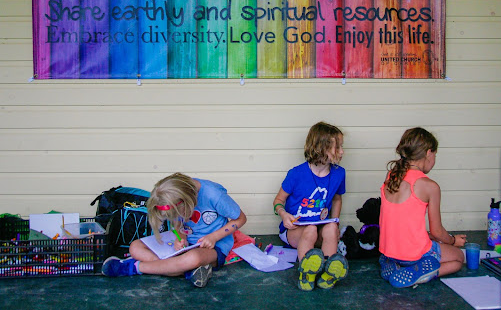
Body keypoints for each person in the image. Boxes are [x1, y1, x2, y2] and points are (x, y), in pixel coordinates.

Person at [102, 173, 247, 287]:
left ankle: (134, 267)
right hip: (184, 245)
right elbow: (176, 224)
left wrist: (214, 237)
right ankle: (185, 270)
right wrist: (179, 237)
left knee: (193, 258)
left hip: (213, 246)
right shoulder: (176, 195)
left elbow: (241, 219)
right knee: (135, 247)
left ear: (188, 201)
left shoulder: (214, 195)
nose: (177, 217)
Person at [379, 127, 466, 288]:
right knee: (458, 259)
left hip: (389, 251)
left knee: (428, 240)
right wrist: (453, 241)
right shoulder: (429, 186)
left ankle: (394, 265)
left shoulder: (392, 175)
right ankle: (418, 273)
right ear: (428, 153)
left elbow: (402, 220)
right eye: (435, 155)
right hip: (412, 255)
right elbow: (437, 231)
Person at [273, 121, 348, 291]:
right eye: (337, 148)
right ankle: (306, 273)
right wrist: (284, 215)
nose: (342, 152)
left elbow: (337, 198)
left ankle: (327, 272)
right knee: (311, 229)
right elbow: (278, 201)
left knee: (330, 228)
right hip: (295, 231)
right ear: (320, 147)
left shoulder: (339, 173)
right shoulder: (296, 174)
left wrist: (335, 223)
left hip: (319, 227)